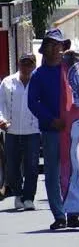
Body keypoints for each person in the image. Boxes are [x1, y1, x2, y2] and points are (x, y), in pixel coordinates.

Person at [28, 29, 79, 230]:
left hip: (72, 130)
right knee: (52, 174)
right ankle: (59, 215)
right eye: (51, 44)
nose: (55, 48)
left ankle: (73, 213)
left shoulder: (72, 71)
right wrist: (51, 120)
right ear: (45, 49)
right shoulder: (38, 75)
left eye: (58, 44)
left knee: (74, 171)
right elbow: (33, 102)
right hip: (51, 131)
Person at [0, 54, 40, 211]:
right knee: (12, 166)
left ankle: (29, 197)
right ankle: (18, 194)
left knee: (32, 166)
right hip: (12, 130)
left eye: (29, 64)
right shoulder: (7, 82)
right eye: (24, 64)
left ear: (34, 66)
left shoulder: (38, 82)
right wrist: (1, 120)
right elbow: (1, 104)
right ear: (18, 64)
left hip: (33, 130)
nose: (26, 67)